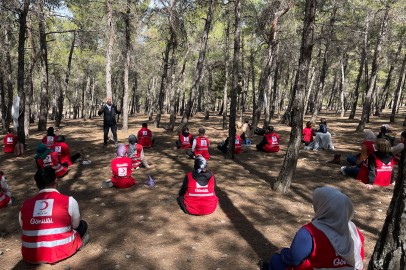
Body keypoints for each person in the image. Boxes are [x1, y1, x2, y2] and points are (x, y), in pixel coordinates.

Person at [258, 186, 364, 270]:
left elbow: (293, 259)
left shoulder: (309, 233)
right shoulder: (354, 229)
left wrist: (284, 252)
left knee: (276, 259)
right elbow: (360, 256)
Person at [19, 167, 88, 264]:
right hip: (60, 251)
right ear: (56, 180)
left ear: (37, 185)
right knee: (83, 224)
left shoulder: (25, 204)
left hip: (30, 255)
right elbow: (75, 226)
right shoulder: (69, 201)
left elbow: (24, 226)